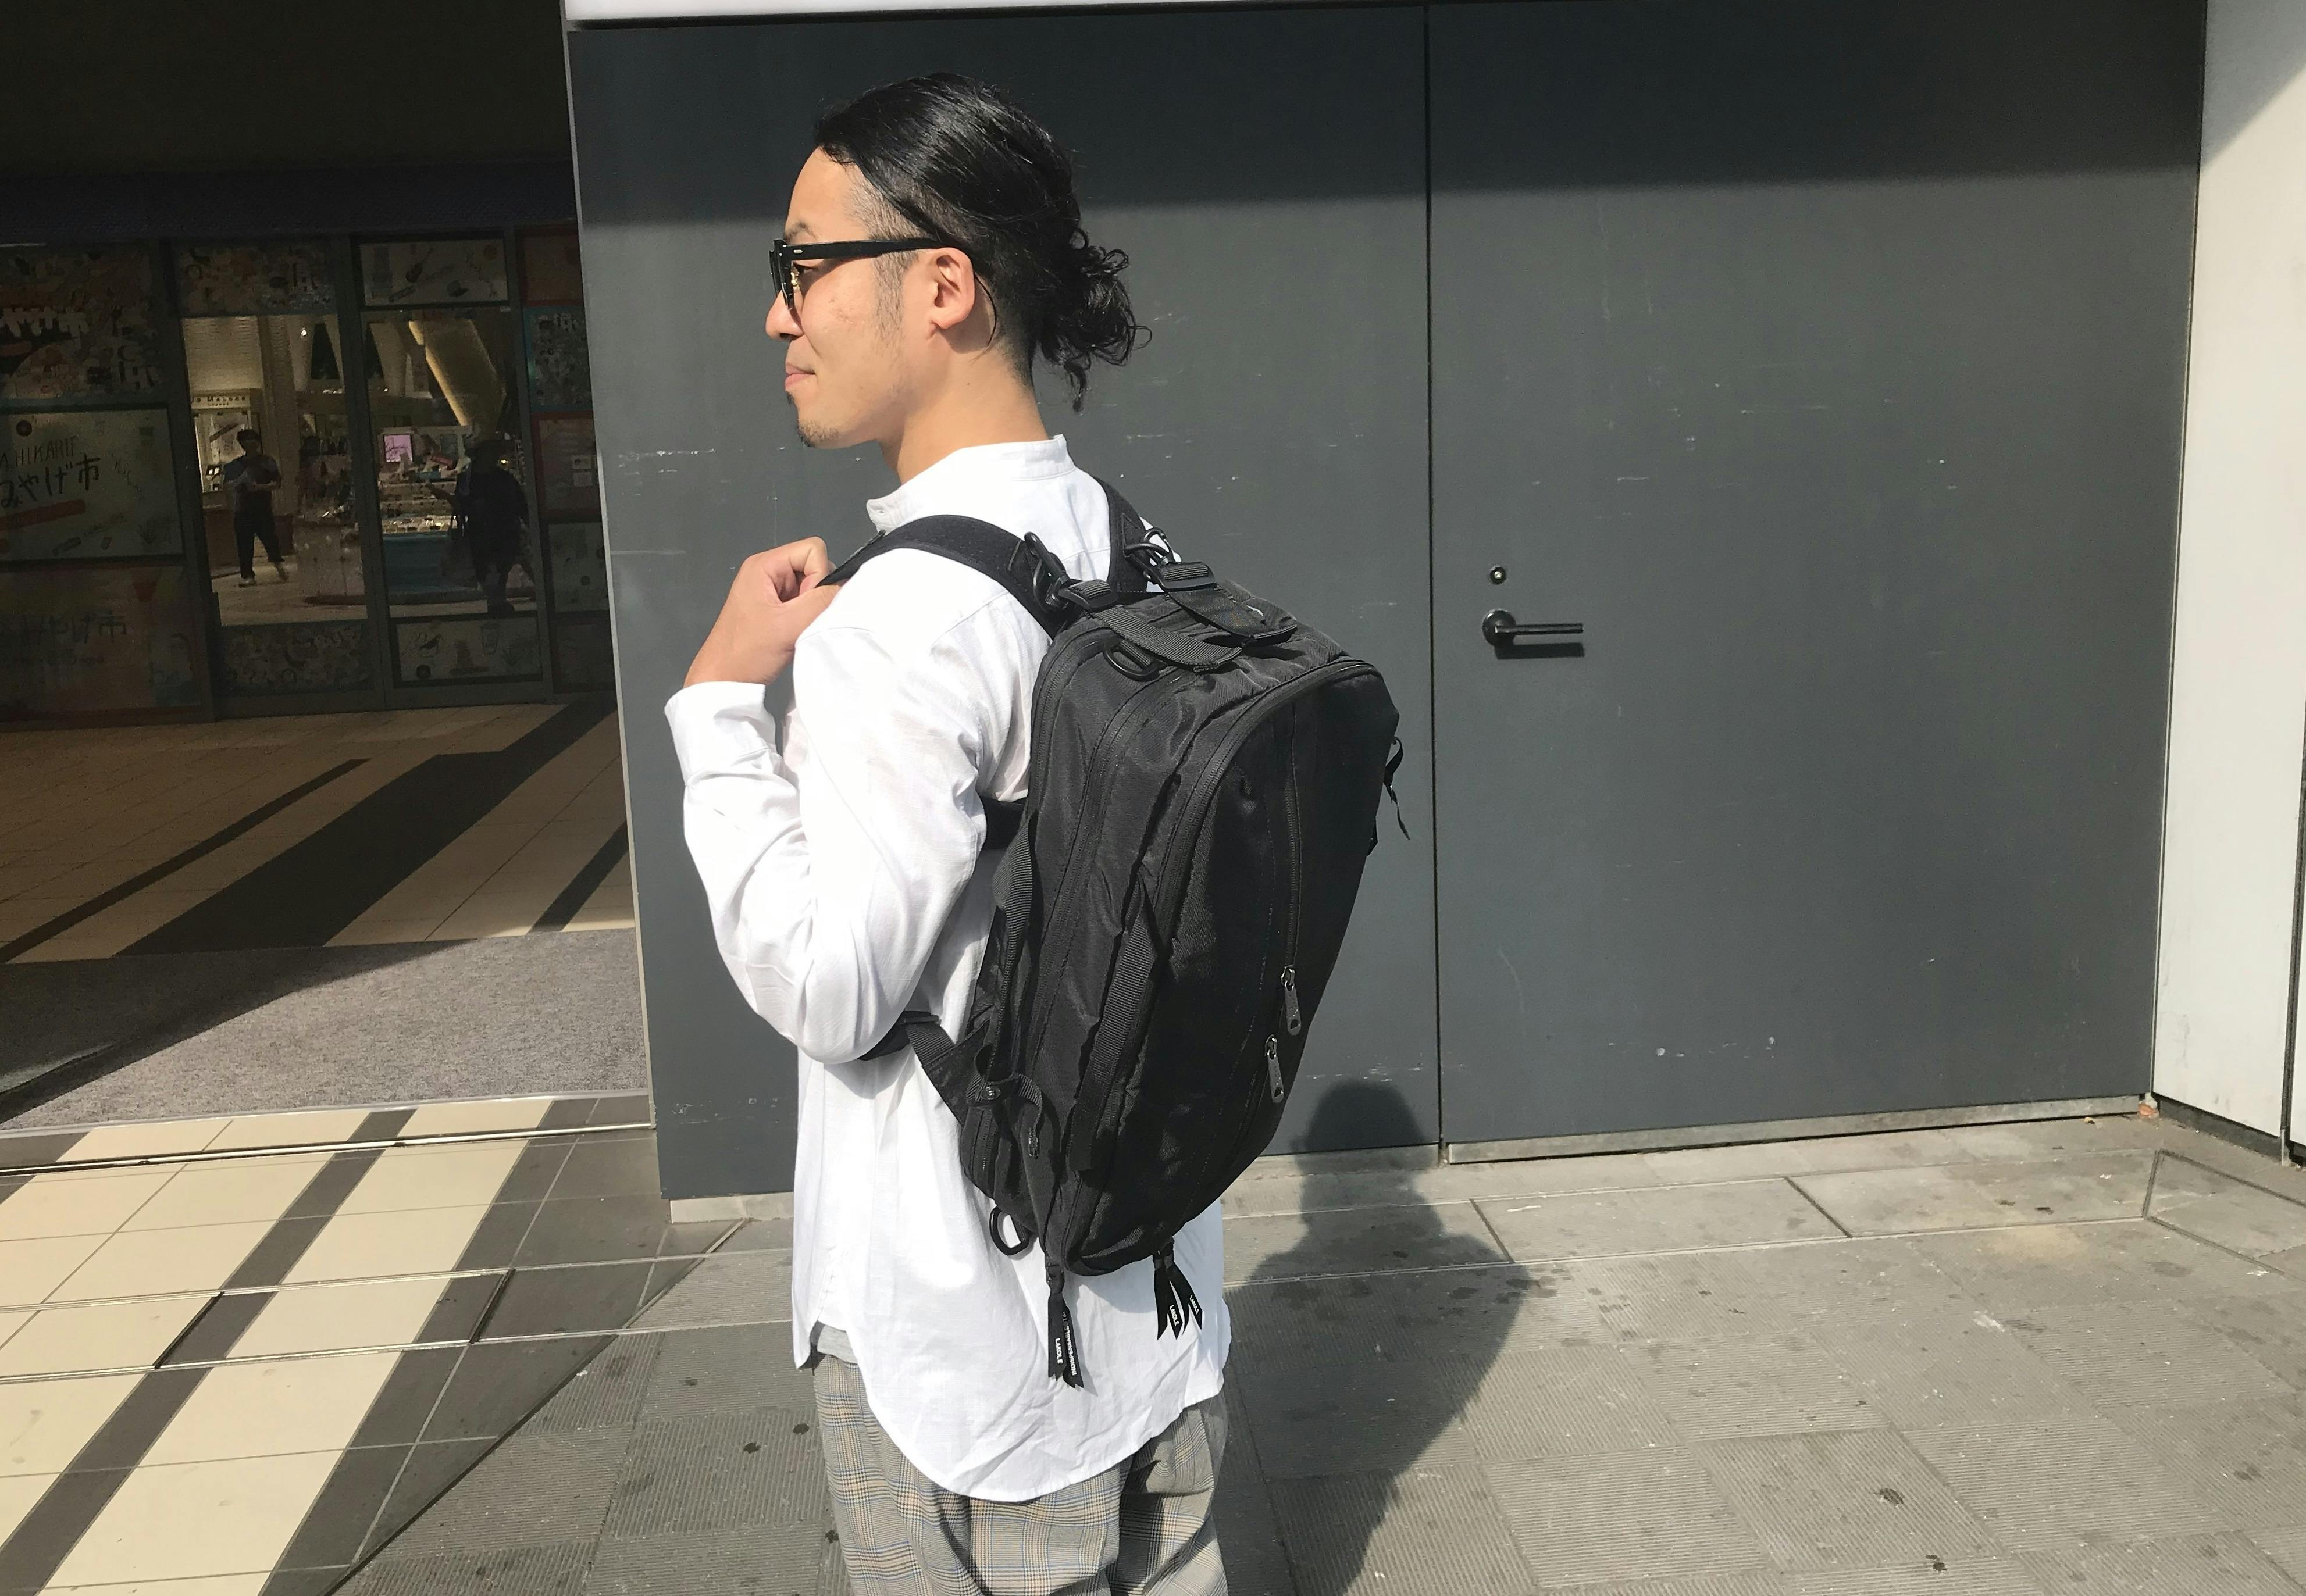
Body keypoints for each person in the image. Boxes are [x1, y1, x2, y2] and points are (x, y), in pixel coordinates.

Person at [665, 74, 1229, 1596]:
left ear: (940, 285)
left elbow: (833, 991)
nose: (775, 316)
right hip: (1155, 1292)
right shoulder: (1122, 541)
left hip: (962, 1344)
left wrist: (717, 706)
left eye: (801, 265)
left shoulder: (902, 622)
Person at [451, 434, 531, 618]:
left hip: (499, 533)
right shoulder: (479, 479)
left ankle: (496, 603)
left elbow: (520, 504)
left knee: (497, 570)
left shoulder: (498, 478)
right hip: (486, 534)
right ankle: (497, 603)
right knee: (492, 570)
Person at [221, 427, 284, 585]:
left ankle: (279, 565)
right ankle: (247, 575)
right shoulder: (236, 465)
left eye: (253, 439)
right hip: (242, 509)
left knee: (270, 538)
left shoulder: (267, 462)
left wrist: (261, 487)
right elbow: (228, 486)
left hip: (262, 507)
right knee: (244, 543)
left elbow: (277, 483)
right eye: (246, 440)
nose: (250, 443)